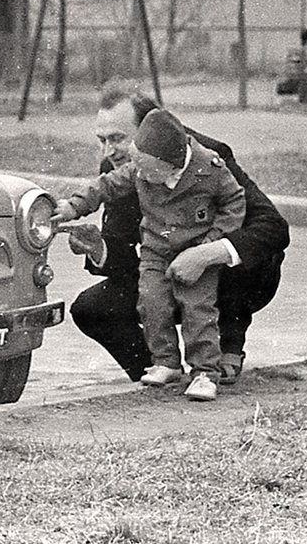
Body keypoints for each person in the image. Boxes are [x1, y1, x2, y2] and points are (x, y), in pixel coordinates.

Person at [63, 83, 289, 388]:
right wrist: (99, 248)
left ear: (150, 130)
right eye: (102, 140)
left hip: (223, 276)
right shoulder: (119, 167)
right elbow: (126, 260)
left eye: (117, 139)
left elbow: (272, 227)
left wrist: (205, 253)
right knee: (91, 309)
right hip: (166, 266)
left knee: (246, 248)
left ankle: (229, 347)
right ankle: (160, 371)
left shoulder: (209, 158)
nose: (109, 151)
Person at [56, 106, 245, 401]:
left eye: (146, 170)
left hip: (196, 251)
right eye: (138, 167)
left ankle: (206, 372)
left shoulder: (209, 167)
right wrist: (74, 206)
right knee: (152, 303)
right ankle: (166, 362)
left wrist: (212, 242)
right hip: (155, 250)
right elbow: (106, 185)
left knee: (198, 310)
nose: (140, 174)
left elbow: (235, 203)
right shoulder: (141, 167)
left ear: (172, 164)